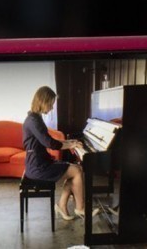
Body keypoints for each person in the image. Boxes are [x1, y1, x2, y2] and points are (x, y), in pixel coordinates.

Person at [22, 86, 99, 220]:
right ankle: (80, 209)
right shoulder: (33, 120)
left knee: (76, 170)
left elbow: (49, 141)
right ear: (43, 101)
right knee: (76, 171)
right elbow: (50, 144)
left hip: (40, 163)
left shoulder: (35, 118)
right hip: (38, 167)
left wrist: (70, 142)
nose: (51, 108)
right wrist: (71, 144)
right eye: (51, 104)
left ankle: (62, 205)